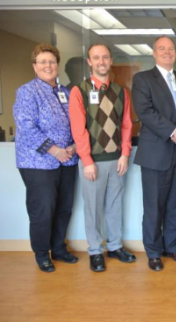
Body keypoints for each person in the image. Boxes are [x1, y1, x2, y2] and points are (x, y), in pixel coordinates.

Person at [132, 36, 176, 272]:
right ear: (154, 53)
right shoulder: (142, 79)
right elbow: (146, 112)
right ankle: (153, 252)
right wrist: (173, 131)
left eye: (171, 48)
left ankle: (172, 247)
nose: (167, 52)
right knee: (154, 206)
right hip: (155, 154)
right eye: (162, 48)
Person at [69, 44, 135, 273]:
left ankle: (115, 246)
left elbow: (126, 125)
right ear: (89, 62)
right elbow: (79, 129)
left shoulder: (121, 91)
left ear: (110, 60)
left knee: (115, 206)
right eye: (96, 58)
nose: (101, 61)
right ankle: (96, 251)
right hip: (92, 162)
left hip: (117, 160)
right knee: (93, 208)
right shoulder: (80, 91)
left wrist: (125, 154)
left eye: (105, 57)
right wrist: (86, 160)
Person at [13, 43, 79, 272]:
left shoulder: (65, 92)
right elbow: (26, 128)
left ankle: (59, 248)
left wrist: (72, 146)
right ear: (34, 66)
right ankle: (42, 253)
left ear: (57, 65)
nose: (48, 66)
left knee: (64, 207)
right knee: (43, 209)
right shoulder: (27, 91)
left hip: (68, 159)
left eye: (51, 61)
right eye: (42, 62)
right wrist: (55, 150)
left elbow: (76, 123)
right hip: (39, 163)